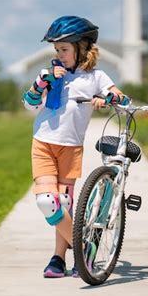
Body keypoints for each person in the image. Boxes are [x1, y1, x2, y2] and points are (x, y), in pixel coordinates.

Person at [22, 15, 130, 278]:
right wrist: (41, 84)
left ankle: (58, 259)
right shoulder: (49, 74)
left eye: (65, 49)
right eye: (57, 49)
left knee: (66, 204)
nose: (60, 54)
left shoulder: (95, 77)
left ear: (82, 48)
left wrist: (107, 98)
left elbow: (123, 99)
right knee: (48, 202)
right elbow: (30, 105)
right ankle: (83, 247)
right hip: (43, 143)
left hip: (70, 147)